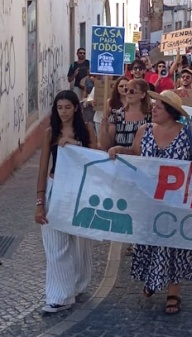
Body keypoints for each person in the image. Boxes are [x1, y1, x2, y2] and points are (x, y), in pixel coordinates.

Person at [108, 90, 192, 315]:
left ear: (171, 112)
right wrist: (119, 150)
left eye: (159, 107)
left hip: (177, 203)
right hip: (148, 200)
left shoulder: (188, 133)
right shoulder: (144, 130)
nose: (153, 108)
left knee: (174, 245)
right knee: (149, 241)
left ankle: (174, 292)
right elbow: (135, 153)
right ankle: (152, 280)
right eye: (153, 105)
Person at [35, 90, 97, 313]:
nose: (63, 112)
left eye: (67, 107)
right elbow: (43, 167)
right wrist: (40, 201)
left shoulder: (87, 129)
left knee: (81, 243)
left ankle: (78, 284)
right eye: (59, 107)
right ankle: (59, 296)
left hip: (80, 190)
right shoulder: (50, 132)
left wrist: (75, 144)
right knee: (54, 241)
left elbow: (97, 158)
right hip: (55, 187)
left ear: (76, 108)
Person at [98, 79, 152, 150]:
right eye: (126, 90)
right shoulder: (116, 115)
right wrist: (104, 127)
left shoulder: (151, 116)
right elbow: (106, 146)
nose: (127, 93)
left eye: (132, 91)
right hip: (120, 160)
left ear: (143, 95)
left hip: (142, 160)